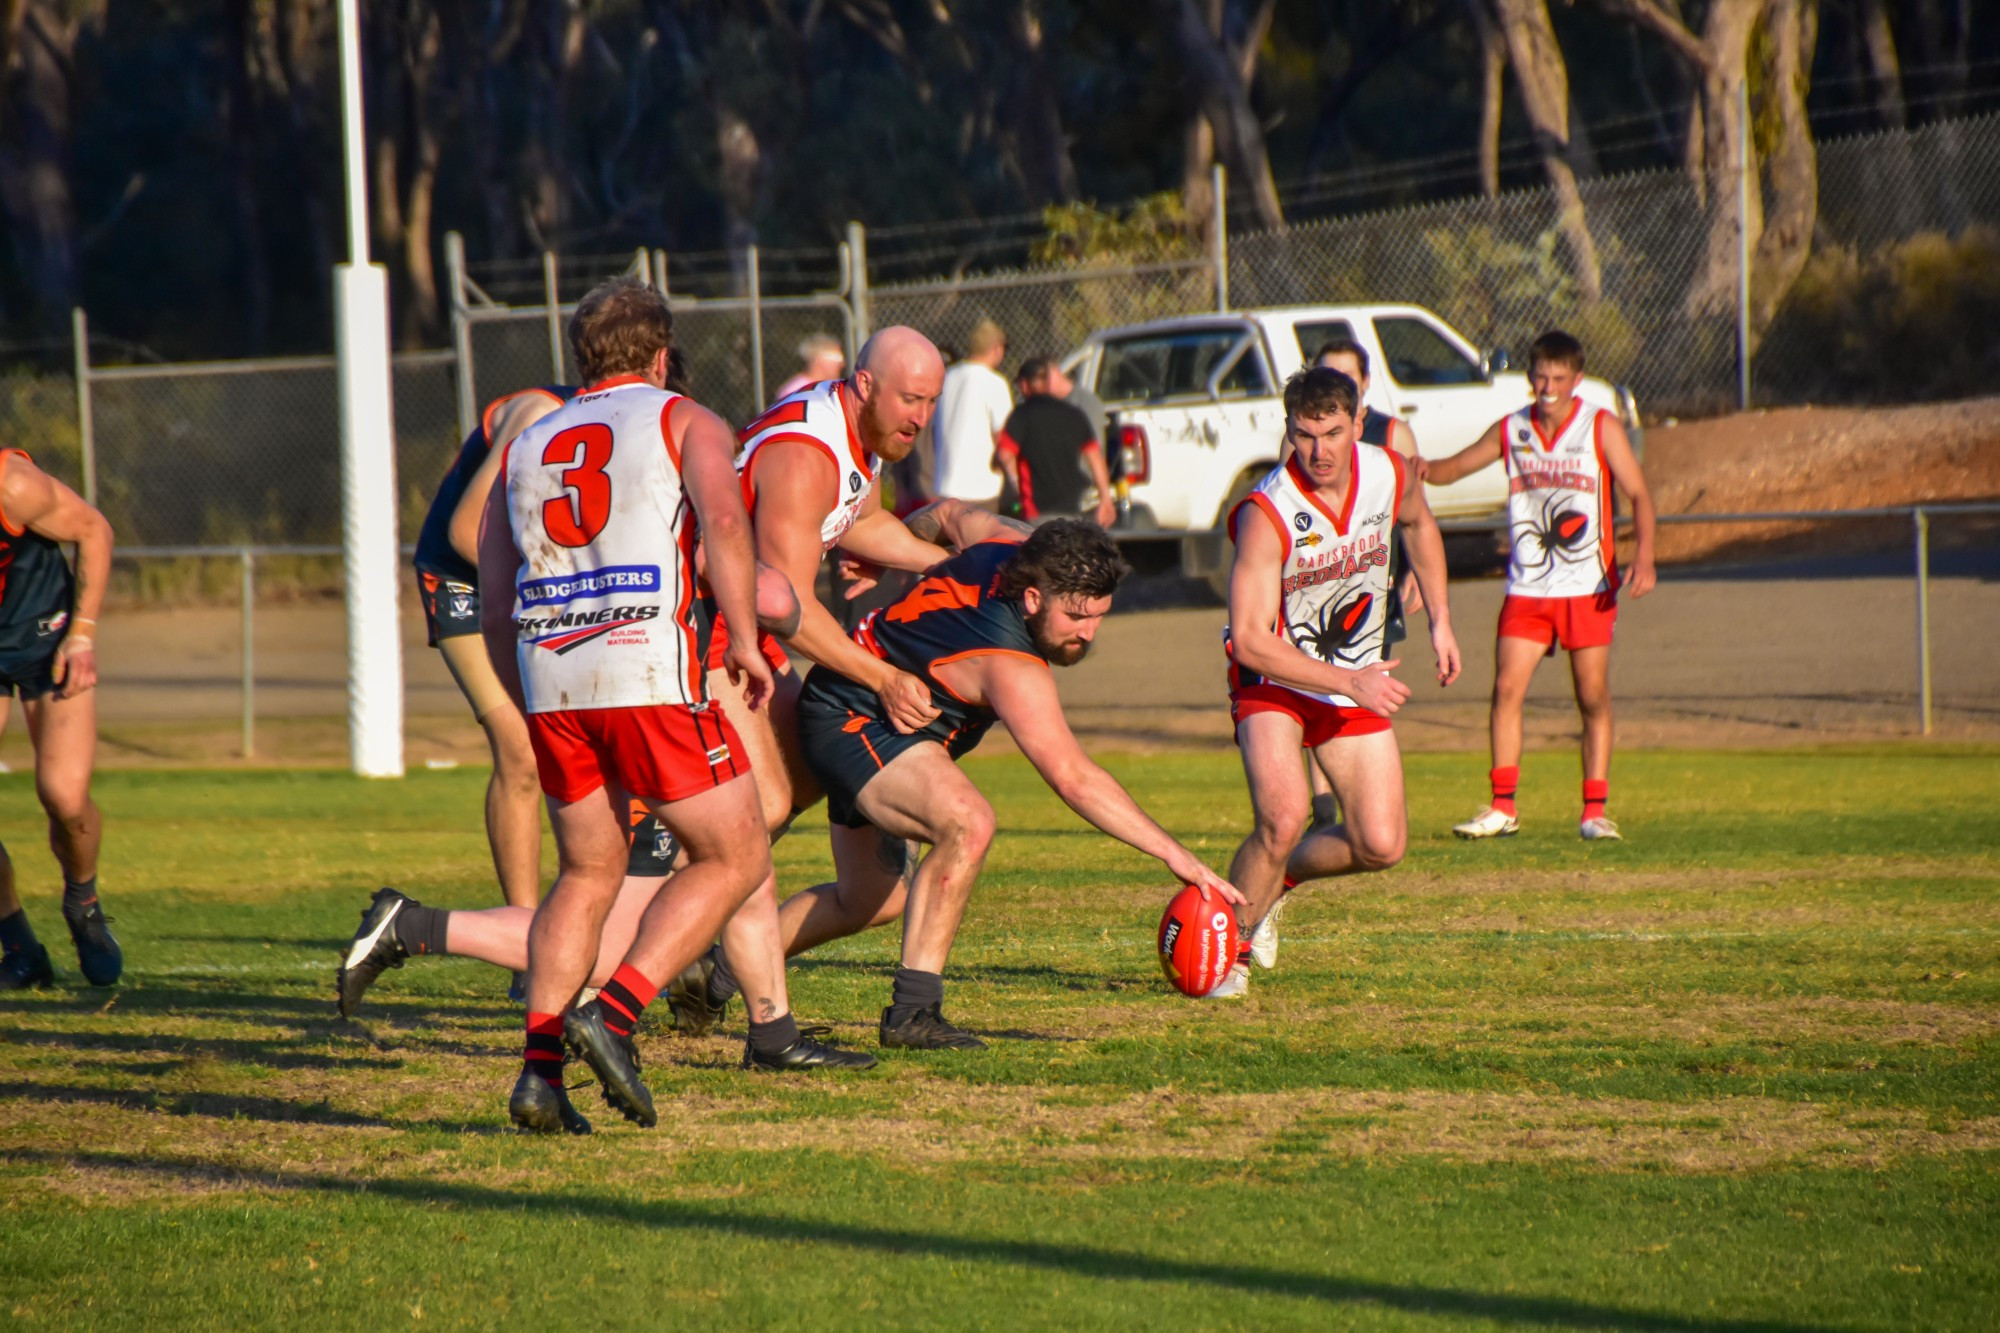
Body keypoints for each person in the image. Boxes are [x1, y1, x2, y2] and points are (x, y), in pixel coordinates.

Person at [476, 276, 782, 1135]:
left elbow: (496, 590)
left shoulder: (529, 440)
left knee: (585, 874)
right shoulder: (684, 417)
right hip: (646, 668)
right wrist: (750, 641)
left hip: (552, 678)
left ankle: (539, 1074)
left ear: (581, 359)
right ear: (659, 353)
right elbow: (724, 522)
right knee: (737, 852)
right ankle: (613, 1015)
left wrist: (523, 686)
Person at [780, 512, 1241, 1048]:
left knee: (869, 901)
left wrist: (899, 545)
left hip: (874, 711)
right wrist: (1175, 855)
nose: (1087, 634)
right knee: (967, 823)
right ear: (1031, 600)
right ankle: (913, 1012)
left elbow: (949, 512)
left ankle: (716, 974)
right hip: (853, 713)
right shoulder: (1011, 664)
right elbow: (1074, 778)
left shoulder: (1010, 542)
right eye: (1074, 618)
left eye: (1098, 616)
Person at [671, 327, 958, 1039]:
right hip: (704, 634)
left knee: (835, 831)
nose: (920, 417)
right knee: (757, 809)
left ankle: (711, 951)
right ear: (865, 386)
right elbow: (790, 608)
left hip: (749, 634)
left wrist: (941, 564)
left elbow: (858, 519)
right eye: (911, 399)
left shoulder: (859, 439)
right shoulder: (803, 455)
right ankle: (647, 912)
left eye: (931, 402)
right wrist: (882, 677)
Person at [1213, 366, 1459, 999]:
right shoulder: (1267, 511)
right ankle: (1228, 958)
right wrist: (1349, 681)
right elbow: (1250, 639)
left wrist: (1442, 622)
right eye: (1304, 434)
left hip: (1351, 676)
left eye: (1332, 433)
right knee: (1285, 817)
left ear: (1358, 422)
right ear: (1289, 430)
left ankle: (1271, 888)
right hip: (1273, 676)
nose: (1319, 451)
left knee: (1381, 844)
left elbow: (1420, 525)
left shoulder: (1389, 472)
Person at [1422, 330, 1656, 842]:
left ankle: (1594, 810)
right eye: (1540, 377)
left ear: (1576, 380)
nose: (1548, 387)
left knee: (1591, 695)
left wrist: (1645, 555)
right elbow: (1454, 467)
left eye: (1558, 378)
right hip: (1529, 588)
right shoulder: (1513, 429)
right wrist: (1413, 468)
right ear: (1530, 378)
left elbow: (1638, 493)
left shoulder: (1600, 426)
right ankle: (1503, 806)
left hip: (1587, 586)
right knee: (1507, 688)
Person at [411, 382, 572, 931]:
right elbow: (464, 530)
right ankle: (523, 935)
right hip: (463, 579)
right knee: (521, 751)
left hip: (523, 584)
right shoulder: (542, 412)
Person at [0, 450, 119, 990]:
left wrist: (84, 633)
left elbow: (94, 529)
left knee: (64, 798)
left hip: (48, 642)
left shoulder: (13, 485)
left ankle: (83, 901)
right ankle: (21, 949)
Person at [995, 356, 1117, 529]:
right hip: (1072, 509)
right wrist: (1105, 499)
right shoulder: (1074, 414)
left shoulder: (1021, 415)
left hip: (1036, 511)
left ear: (1023, 385)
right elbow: (1095, 458)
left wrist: (1015, 485)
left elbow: (1005, 454)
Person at [931, 318, 1011, 509]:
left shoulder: (947, 377)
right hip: (982, 489)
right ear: (997, 348)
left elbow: (934, 431)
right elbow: (1004, 439)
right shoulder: (994, 382)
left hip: (946, 487)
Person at [773, 333, 846, 400]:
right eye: (837, 358)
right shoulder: (794, 391)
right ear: (819, 359)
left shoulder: (834, 387)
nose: (842, 364)